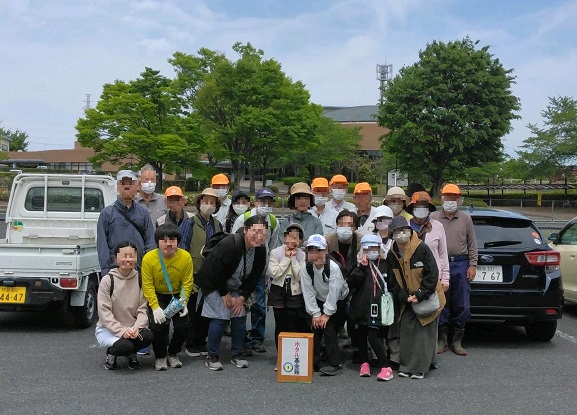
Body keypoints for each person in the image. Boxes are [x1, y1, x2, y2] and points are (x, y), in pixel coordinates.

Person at [195, 215, 268, 371]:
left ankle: (237, 353)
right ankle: (212, 355)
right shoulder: (230, 243)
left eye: (263, 233)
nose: (259, 236)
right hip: (215, 284)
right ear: (246, 230)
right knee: (220, 315)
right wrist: (224, 294)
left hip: (237, 286)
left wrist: (242, 297)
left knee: (239, 315)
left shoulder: (261, 249)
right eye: (255, 231)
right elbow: (214, 270)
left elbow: (255, 276)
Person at [388, 216, 445, 379]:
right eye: (397, 232)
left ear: (410, 231)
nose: (401, 234)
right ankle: (407, 365)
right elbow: (393, 281)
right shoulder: (392, 253)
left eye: (404, 230)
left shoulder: (422, 248)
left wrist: (420, 294)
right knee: (406, 328)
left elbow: (432, 274)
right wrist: (405, 296)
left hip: (428, 295)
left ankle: (420, 368)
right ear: (392, 234)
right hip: (408, 299)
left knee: (424, 332)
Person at [430, 184, 478, 356]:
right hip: (440, 263)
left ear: (459, 199)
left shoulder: (466, 218)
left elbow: (472, 243)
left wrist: (473, 265)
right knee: (442, 301)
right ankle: (441, 339)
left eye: (453, 198)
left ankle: (457, 340)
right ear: (441, 198)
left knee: (462, 302)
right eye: (447, 197)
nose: (450, 201)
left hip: (461, 263)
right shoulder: (433, 217)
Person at [232, 187, 281, 354]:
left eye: (269, 202)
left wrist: (269, 269)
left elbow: (273, 246)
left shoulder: (274, 221)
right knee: (241, 303)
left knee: (259, 305)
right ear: (255, 201)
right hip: (242, 270)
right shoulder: (244, 218)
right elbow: (235, 242)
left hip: (261, 270)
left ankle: (257, 338)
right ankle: (240, 338)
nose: (265, 204)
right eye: (262, 201)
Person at [141, 224, 193, 371]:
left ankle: (173, 353)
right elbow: (147, 285)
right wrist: (155, 307)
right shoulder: (148, 258)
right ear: (157, 242)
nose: (168, 243)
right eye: (164, 240)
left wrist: (184, 301)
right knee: (157, 326)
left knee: (183, 325)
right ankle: (160, 356)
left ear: (178, 241)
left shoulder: (185, 257)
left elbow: (187, 282)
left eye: (172, 239)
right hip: (158, 295)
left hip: (177, 295)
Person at [95, 241, 153, 370]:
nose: (128, 259)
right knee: (125, 346)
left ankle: (132, 354)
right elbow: (104, 313)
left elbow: (142, 309)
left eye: (131, 255)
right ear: (116, 258)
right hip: (109, 329)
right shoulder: (107, 280)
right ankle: (111, 354)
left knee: (147, 336)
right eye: (124, 255)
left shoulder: (140, 279)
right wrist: (122, 331)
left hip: (132, 327)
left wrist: (137, 327)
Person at [179, 188, 222, 358]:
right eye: (206, 202)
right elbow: (182, 248)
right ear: (199, 203)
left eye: (212, 203)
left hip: (211, 273)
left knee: (207, 309)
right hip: (193, 272)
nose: (209, 205)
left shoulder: (217, 224)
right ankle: (190, 342)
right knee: (192, 309)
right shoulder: (190, 222)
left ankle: (201, 341)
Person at [300, 234, 349, 376]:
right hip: (319, 298)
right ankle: (314, 362)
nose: (315, 254)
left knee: (328, 327)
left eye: (319, 250)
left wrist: (326, 314)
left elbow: (334, 292)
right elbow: (307, 291)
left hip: (338, 299)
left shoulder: (333, 268)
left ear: (326, 251)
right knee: (314, 326)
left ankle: (335, 363)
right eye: (311, 250)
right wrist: (315, 313)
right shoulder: (306, 268)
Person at [348, 234, 394, 381]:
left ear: (380, 248)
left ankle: (385, 366)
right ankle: (364, 363)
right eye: (368, 248)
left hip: (379, 308)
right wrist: (361, 267)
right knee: (361, 335)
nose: (371, 251)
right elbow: (352, 283)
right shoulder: (359, 264)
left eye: (374, 248)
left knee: (374, 336)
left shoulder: (386, 264)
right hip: (361, 306)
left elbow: (392, 285)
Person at [97, 170, 156, 276]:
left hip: (139, 270)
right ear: (118, 187)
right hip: (115, 271)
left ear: (137, 186)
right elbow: (102, 245)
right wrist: (106, 271)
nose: (127, 187)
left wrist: (146, 265)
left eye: (131, 183)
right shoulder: (106, 213)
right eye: (123, 183)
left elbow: (150, 241)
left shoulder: (143, 213)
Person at [268, 223, 309, 359]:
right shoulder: (276, 252)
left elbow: (299, 275)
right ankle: (280, 356)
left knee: (292, 323)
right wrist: (286, 258)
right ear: (284, 238)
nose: (293, 240)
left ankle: (291, 356)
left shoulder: (302, 255)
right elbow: (274, 273)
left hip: (295, 290)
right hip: (278, 289)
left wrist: (293, 258)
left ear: (301, 241)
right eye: (290, 237)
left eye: (296, 238)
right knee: (279, 323)